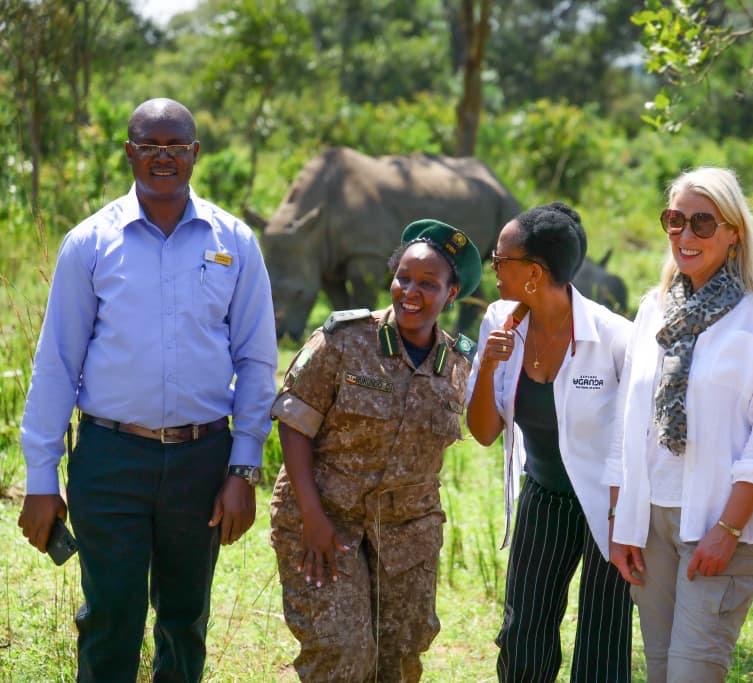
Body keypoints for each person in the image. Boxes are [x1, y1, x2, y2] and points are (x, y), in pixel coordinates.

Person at [16, 98, 277, 682]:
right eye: (149, 144)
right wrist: (40, 479)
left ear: (195, 154)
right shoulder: (90, 243)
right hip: (111, 459)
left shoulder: (234, 241)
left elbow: (258, 362)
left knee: (185, 620)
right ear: (130, 152)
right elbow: (56, 363)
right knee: (111, 615)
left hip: (202, 461)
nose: (164, 156)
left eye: (176, 145)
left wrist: (243, 469)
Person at [608, 167, 753, 683]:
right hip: (651, 525)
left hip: (718, 526)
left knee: (693, 675)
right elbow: (628, 419)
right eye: (675, 220)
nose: (685, 236)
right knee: (662, 672)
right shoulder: (654, 310)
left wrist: (728, 531)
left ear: (734, 231)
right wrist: (621, 520)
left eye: (702, 223)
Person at [269, 219, 480, 682]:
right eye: (403, 277)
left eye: (428, 284)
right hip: (325, 521)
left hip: (408, 535)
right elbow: (294, 424)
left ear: (451, 293)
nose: (410, 291)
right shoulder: (345, 340)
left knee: (399, 661)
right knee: (342, 654)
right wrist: (311, 517)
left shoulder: (459, 364)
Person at [466, 202, 634, 682]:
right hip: (544, 493)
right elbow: (482, 433)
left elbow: (634, 441)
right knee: (523, 634)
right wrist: (489, 367)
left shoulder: (615, 339)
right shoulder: (499, 321)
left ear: (535, 273)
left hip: (608, 505)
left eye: (501, 261)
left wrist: (625, 516)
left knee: (603, 643)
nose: (493, 269)